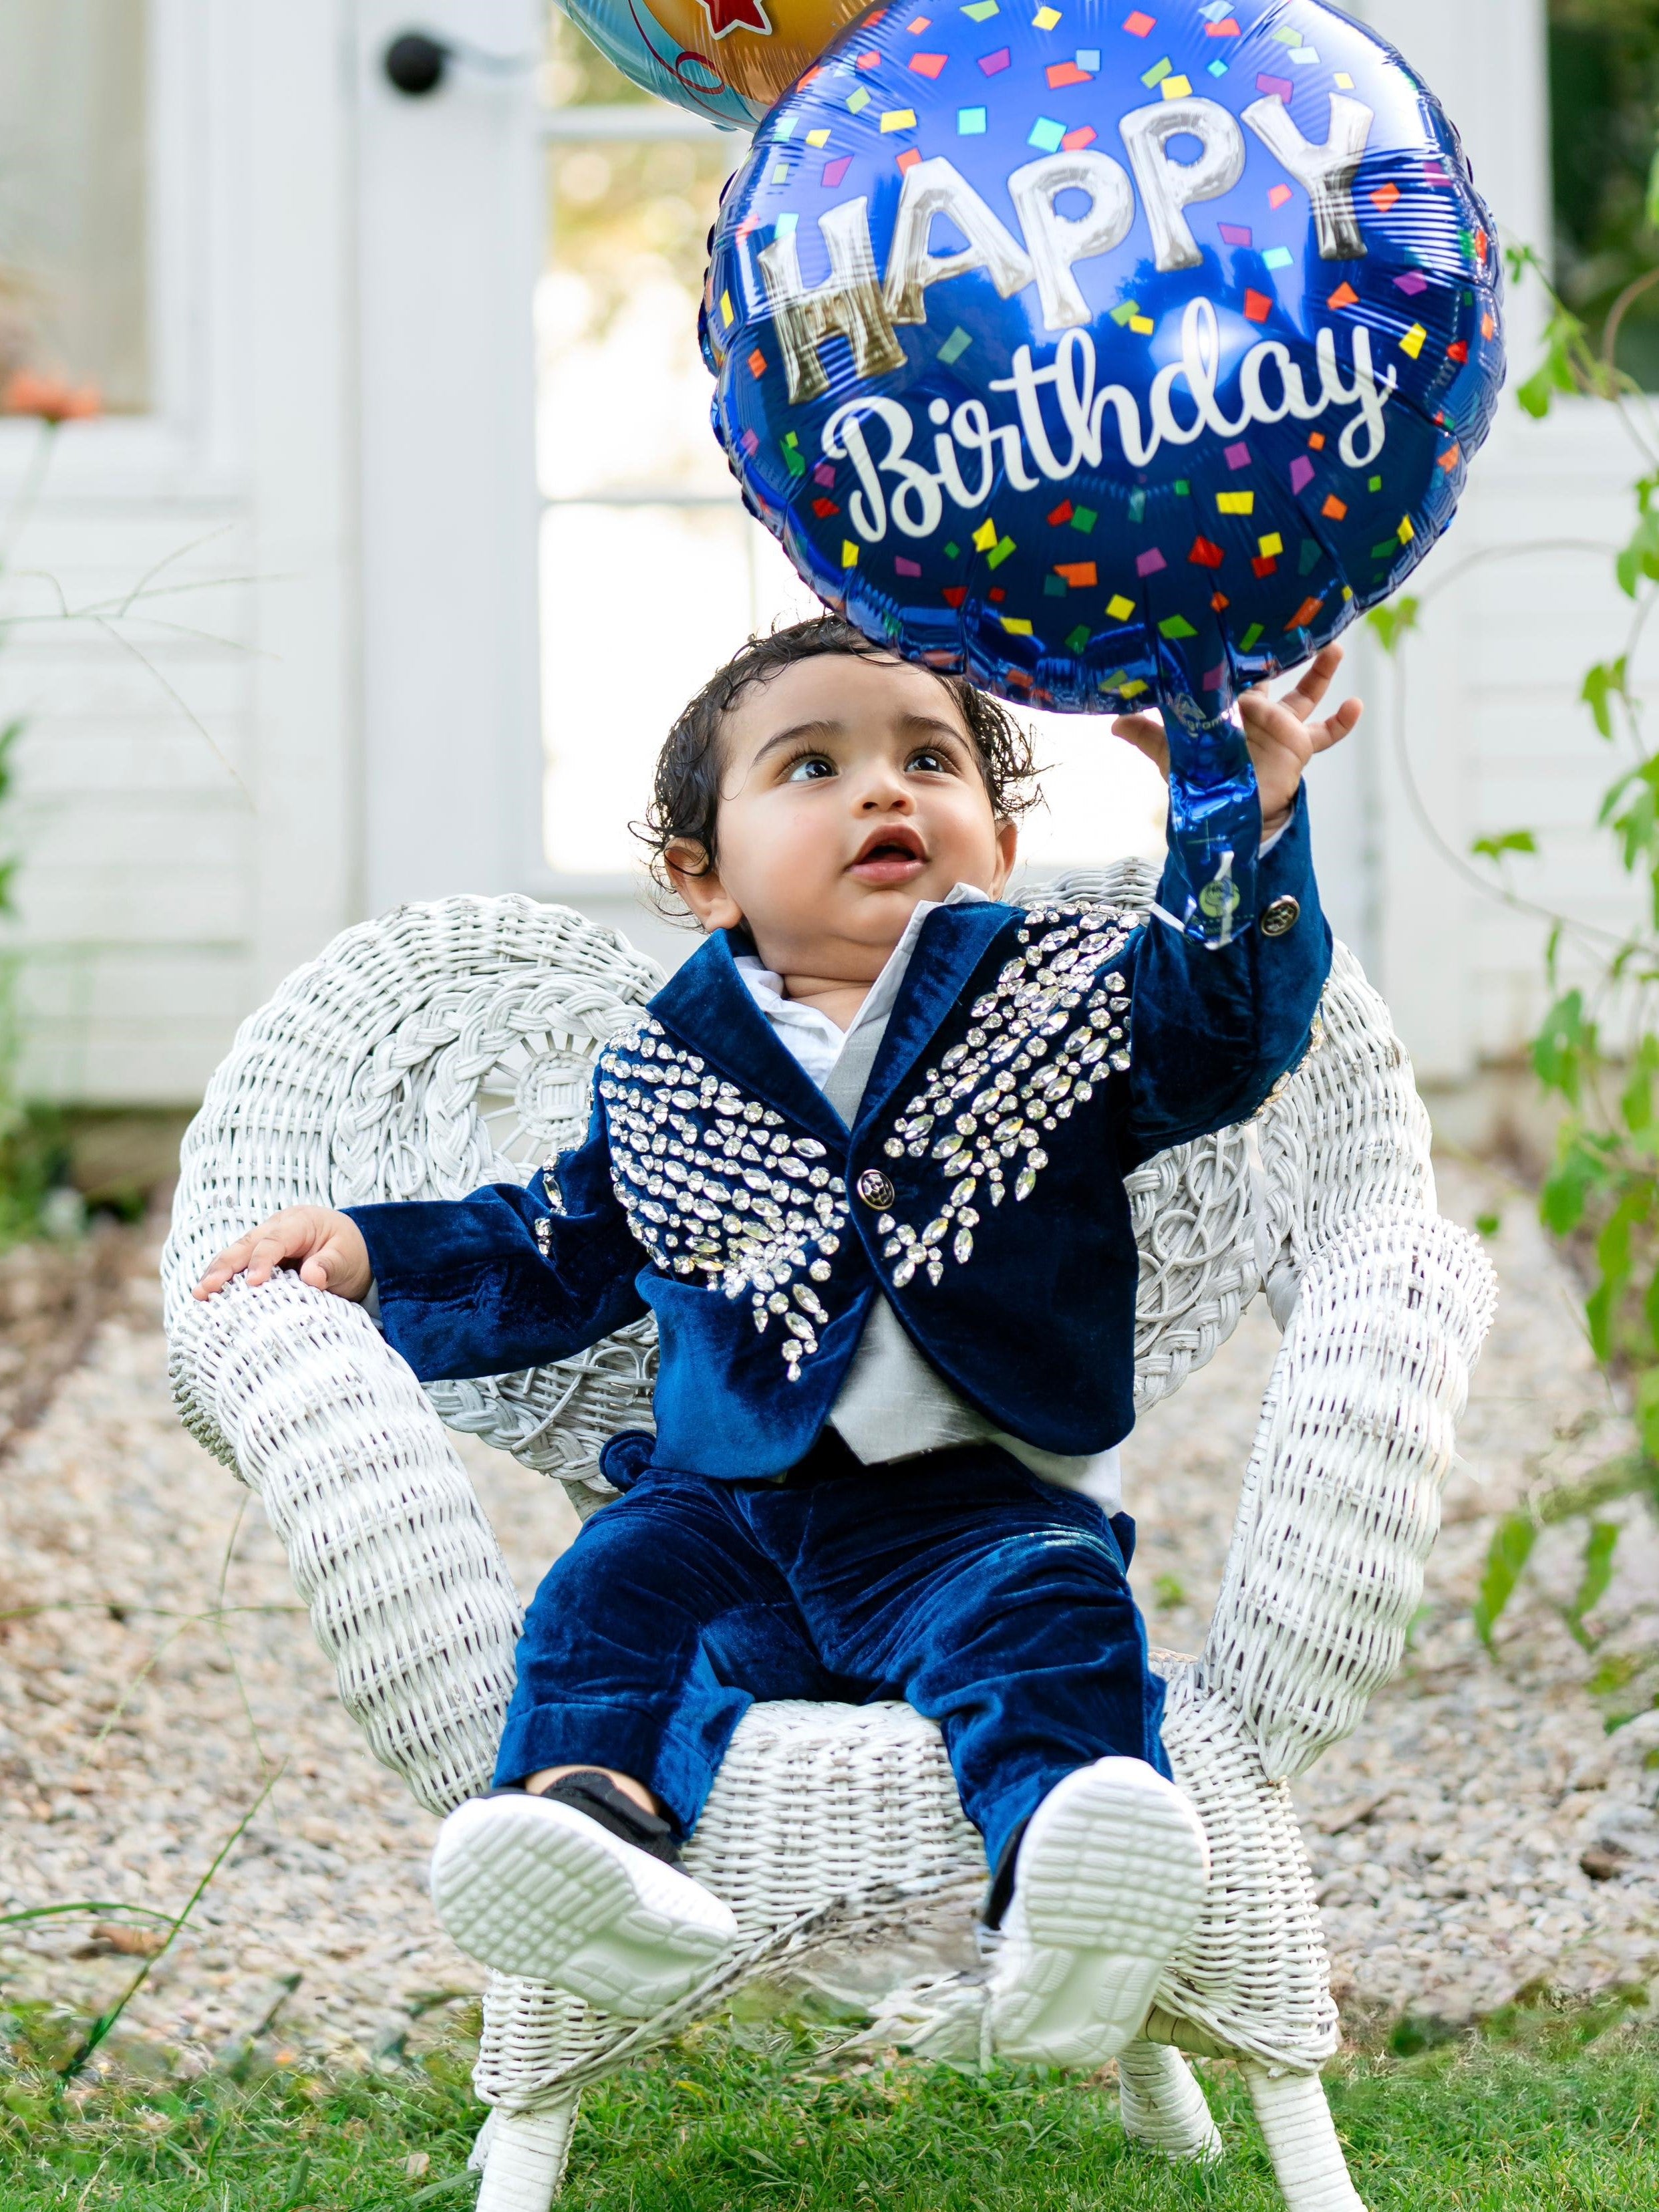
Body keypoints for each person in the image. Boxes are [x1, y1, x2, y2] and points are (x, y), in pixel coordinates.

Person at [196, 615, 1356, 2066]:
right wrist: (373, 1250)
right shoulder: (673, 1069)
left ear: (994, 842)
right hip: (729, 1506)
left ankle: (1073, 1884)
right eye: (814, 764)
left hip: (976, 1505)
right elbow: (556, 1243)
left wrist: (1231, 813)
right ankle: (585, 1842)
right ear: (705, 875)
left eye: (928, 760)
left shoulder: (1066, 999)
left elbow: (1228, 1036)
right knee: (607, 1600)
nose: (884, 791)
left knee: (1051, 1624)